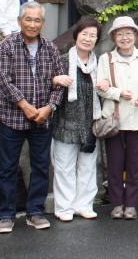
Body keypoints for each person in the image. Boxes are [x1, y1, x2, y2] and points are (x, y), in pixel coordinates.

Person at [0, 2, 66, 233]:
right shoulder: (7, 46)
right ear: (19, 21)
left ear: (42, 23)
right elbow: (4, 80)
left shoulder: (50, 48)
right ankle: (6, 214)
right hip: (12, 118)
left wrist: (49, 107)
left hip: (42, 118)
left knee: (41, 166)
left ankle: (35, 212)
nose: (32, 24)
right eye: (28, 19)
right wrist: (24, 105)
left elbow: (60, 80)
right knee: (7, 167)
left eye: (37, 20)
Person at [96, 16, 138, 221]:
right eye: (120, 34)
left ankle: (132, 204)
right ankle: (117, 203)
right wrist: (118, 93)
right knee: (115, 165)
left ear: (135, 35)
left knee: (135, 165)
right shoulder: (106, 59)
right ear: (114, 37)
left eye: (128, 33)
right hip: (114, 120)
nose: (124, 37)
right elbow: (99, 88)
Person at [49, 18, 102, 222]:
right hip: (65, 122)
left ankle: (84, 205)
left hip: (90, 123)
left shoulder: (99, 64)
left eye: (92, 36)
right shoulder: (62, 61)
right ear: (76, 36)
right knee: (64, 167)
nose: (88, 39)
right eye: (84, 34)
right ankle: (64, 208)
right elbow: (45, 85)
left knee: (88, 166)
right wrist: (55, 80)